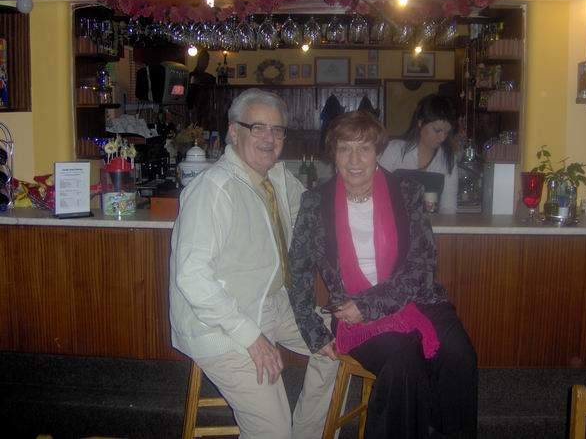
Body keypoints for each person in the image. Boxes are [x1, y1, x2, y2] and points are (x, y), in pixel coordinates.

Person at [288, 110, 477, 439]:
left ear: (378, 151)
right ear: (333, 154)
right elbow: (298, 271)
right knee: (403, 364)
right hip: (353, 313)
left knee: (459, 355)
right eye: (345, 148)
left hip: (416, 300)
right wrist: (313, 330)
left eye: (364, 148)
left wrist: (372, 304)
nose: (354, 159)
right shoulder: (315, 202)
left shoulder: (406, 191)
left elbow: (423, 264)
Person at [169, 88, 339, 439]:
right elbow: (192, 277)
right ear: (234, 132)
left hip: (271, 303)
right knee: (272, 432)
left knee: (339, 342)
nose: (269, 139)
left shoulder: (277, 177)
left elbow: (312, 215)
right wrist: (251, 337)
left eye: (277, 130)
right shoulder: (213, 190)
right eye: (258, 128)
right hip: (221, 325)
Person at [379, 94, 459, 214]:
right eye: (437, 130)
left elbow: (449, 207)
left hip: (432, 224)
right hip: (395, 222)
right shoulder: (395, 150)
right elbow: (378, 193)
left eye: (446, 132)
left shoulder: (448, 159)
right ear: (420, 122)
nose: (442, 137)